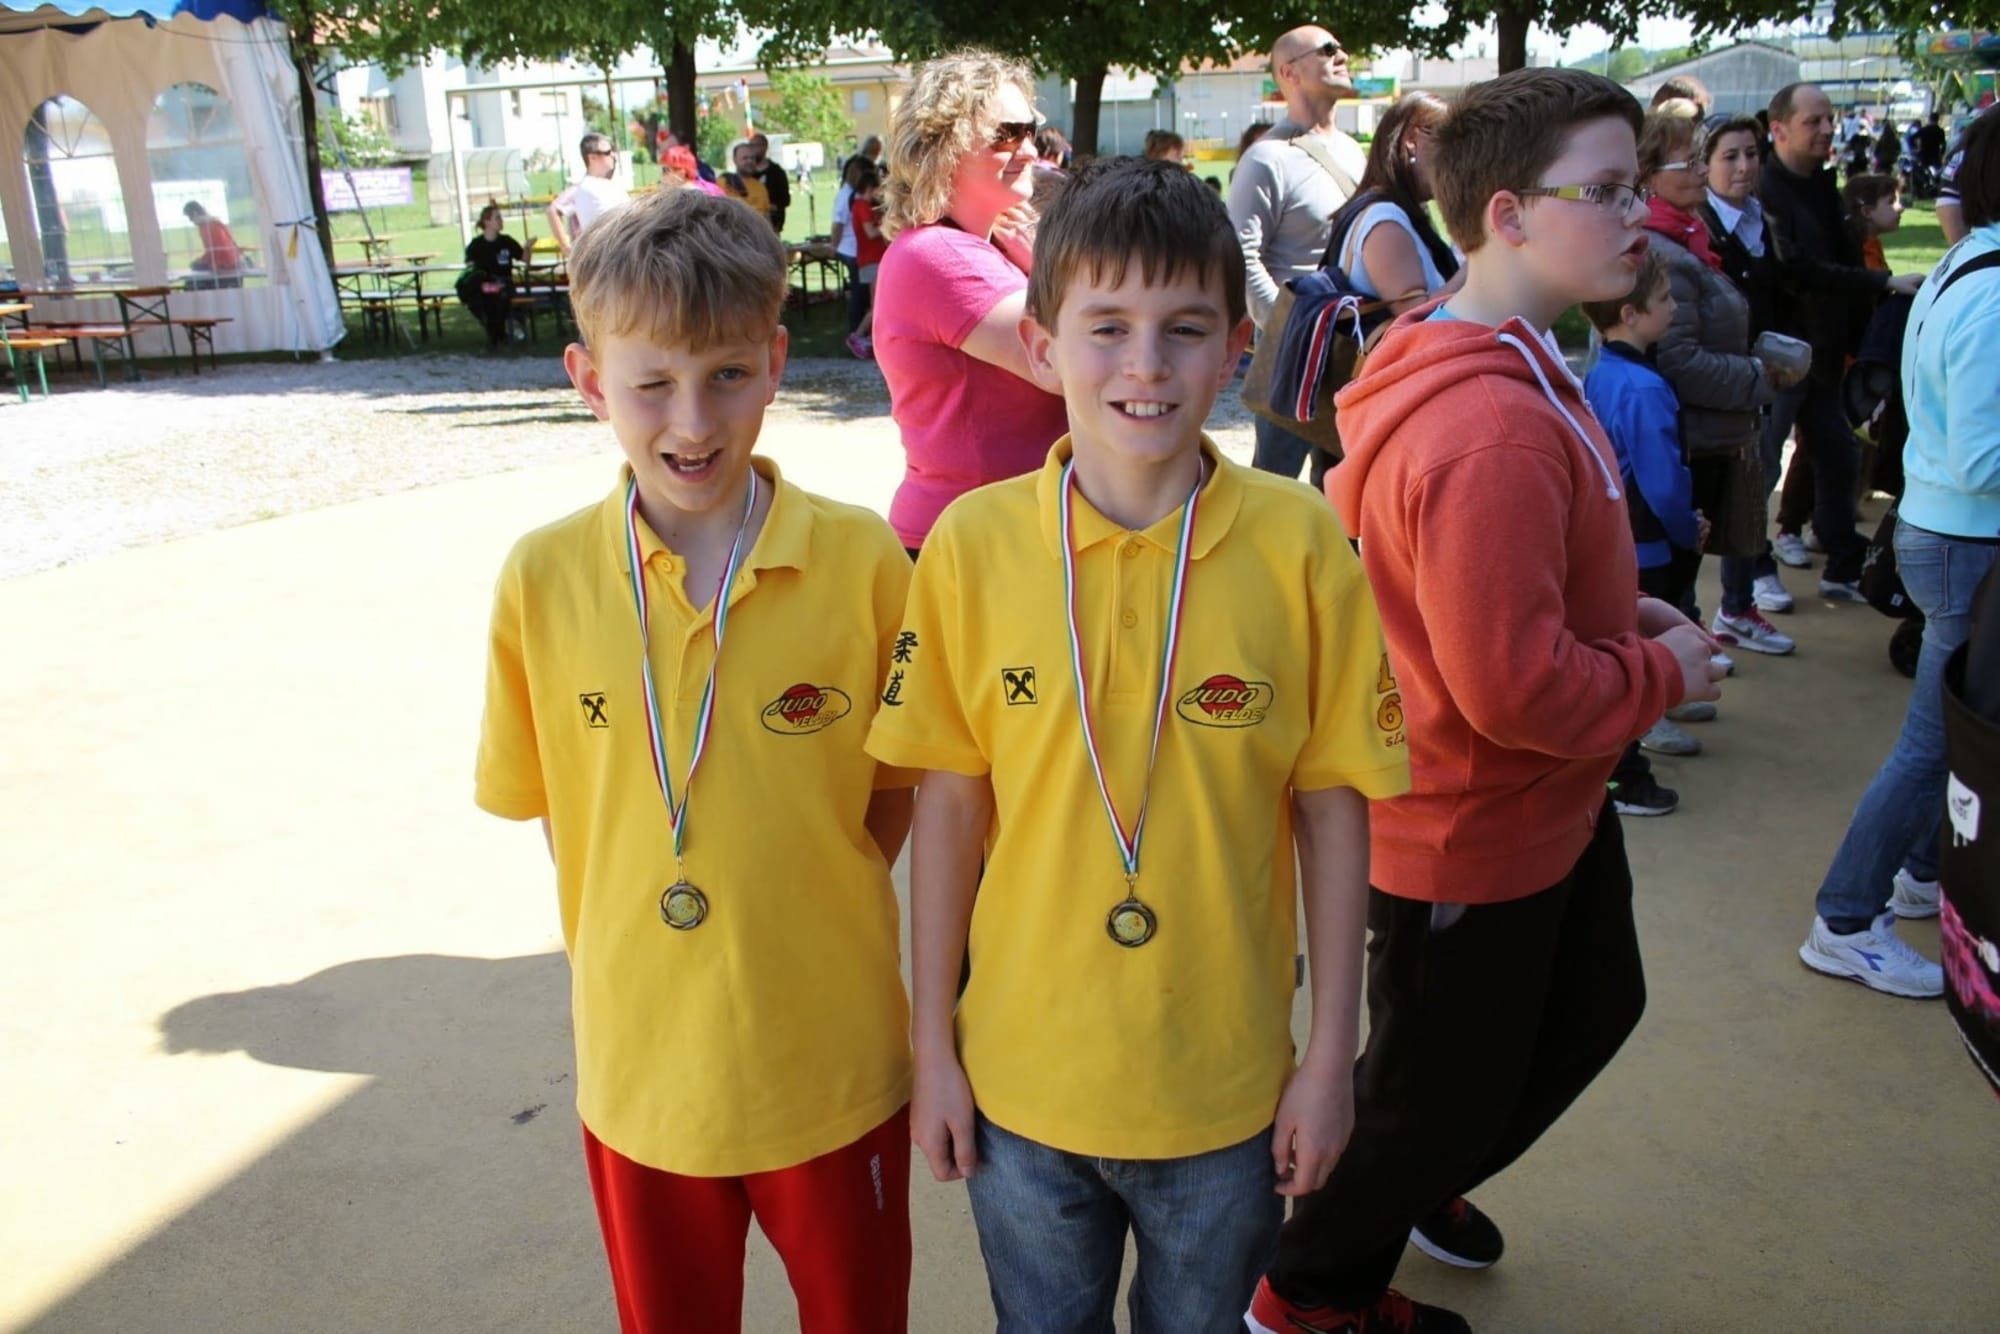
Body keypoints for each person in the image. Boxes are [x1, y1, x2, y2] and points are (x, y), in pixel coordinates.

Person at [869, 154, 1408, 1334]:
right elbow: (948, 806)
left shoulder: (1300, 544)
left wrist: (1329, 1057)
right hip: (1020, 1085)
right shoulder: (969, 546)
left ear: (1236, 347)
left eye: (1184, 329)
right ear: (1039, 346)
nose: (1145, 365)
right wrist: (932, 1048)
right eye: (1105, 327)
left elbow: (1332, 808)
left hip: (1223, 1092)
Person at [1251, 68, 1725, 1334]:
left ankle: (1401, 1179)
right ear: (1506, 215)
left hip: (1531, 804)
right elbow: (1512, 686)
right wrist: (1661, 673)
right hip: (1472, 819)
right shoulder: (1487, 426)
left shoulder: (1501, 349)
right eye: (1605, 189)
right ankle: (1307, 1292)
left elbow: (1502, 592)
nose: (1636, 213)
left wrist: (1623, 619)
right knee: (1430, 1091)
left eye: (1635, 184)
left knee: (1563, 1018)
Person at [473, 188, 917, 1331]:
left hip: (830, 1057)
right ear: (588, 380)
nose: (692, 419)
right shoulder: (543, 579)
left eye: (726, 374)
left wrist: (799, 894)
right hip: (642, 1068)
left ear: (774, 363)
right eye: (651, 383)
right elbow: (562, 813)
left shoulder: (863, 561)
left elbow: (891, 791)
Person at [1800, 106, 2000, 999]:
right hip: (1964, 540)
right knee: (1933, 744)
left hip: (1948, 531)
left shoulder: (1968, 263)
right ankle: (1845, 920)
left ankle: (1919, 873)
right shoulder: (1990, 285)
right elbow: (1983, 457)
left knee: (1955, 734)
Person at [873, 50, 1069, 554]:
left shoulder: (985, 248)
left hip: (998, 530)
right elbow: (1071, 363)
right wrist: (1047, 262)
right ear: (945, 145)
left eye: (1031, 131)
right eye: (1007, 134)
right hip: (969, 542)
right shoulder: (939, 254)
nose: (1029, 149)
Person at [1635, 111, 1796, 665]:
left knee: (1682, 567)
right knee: (1671, 565)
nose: (1703, 171)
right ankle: (1666, 673)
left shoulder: (1687, 237)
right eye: (1692, 161)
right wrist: (1759, 378)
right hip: (1689, 436)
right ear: (1650, 175)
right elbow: (1677, 360)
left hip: (1704, 433)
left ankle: (1685, 648)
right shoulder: (1663, 251)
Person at [1760, 83, 1921, 599]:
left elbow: (1839, 260)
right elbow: (1797, 268)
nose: (1828, 129)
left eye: (1829, 119)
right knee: (1764, 465)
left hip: (1825, 353)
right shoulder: (1768, 189)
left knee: (1839, 453)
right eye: (1814, 121)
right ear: (1779, 129)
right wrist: (1881, 282)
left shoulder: (1821, 184)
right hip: (1782, 354)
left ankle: (1840, 562)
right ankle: (1752, 575)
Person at [1582, 248, 1711, 789]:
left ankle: (1663, 698)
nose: (1675, 307)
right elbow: (1662, 481)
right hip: (1652, 539)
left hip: (1624, 533)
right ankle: (1645, 721)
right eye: (1664, 299)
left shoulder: (1604, 372)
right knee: (1647, 631)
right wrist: (1688, 529)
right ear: (1630, 315)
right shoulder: (1644, 388)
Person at [1228, 24, 1368, 480]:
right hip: (1293, 351)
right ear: (1288, 73)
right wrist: (1286, 327)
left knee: (1344, 490)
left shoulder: (1353, 151)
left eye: (1341, 46)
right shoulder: (1266, 158)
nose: (1341, 55)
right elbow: (1239, 253)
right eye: (1327, 50)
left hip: (1351, 345)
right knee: (1275, 486)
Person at [548, 133, 627, 258]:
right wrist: (567, 249)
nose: (613, 155)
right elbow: (552, 210)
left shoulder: (611, 185)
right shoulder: (582, 188)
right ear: (592, 158)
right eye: (607, 152)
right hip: (605, 258)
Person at [456, 202, 522, 350]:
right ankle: (498, 335)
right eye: (497, 218)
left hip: (504, 283)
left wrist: (528, 247)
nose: (501, 221)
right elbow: (471, 267)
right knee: (479, 298)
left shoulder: (506, 241)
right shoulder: (476, 245)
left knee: (498, 296)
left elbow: (524, 258)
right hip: (485, 284)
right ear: (487, 222)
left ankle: (495, 337)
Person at [846, 161, 888, 359]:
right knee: (877, 304)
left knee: (877, 302)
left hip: (874, 259)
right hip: (871, 260)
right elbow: (870, 232)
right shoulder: (862, 206)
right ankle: (857, 335)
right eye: (879, 189)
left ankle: (872, 340)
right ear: (870, 188)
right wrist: (888, 225)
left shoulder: (864, 206)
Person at [831, 154, 869, 335]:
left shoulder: (851, 194)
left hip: (854, 249)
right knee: (859, 294)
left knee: (860, 293)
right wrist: (834, 245)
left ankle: (858, 331)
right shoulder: (846, 195)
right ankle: (856, 332)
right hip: (851, 250)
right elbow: (837, 224)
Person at [1843, 171, 1903, 272]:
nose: (1901, 208)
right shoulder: (1859, 253)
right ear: (1867, 211)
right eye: (1891, 202)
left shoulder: (1873, 243)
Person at [182, 200, 243, 288]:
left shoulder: (212, 225)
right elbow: (211, 250)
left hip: (226, 263)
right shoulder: (206, 225)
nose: (190, 220)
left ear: (195, 213)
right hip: (223, 261)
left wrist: (205, 262)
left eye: (189, 216)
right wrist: (202, 260)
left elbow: (220, 250)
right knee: (195, 267)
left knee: (194, 276)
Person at [722, 141, 776, 226]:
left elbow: (766, 217)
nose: (750, 161)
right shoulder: (722, 183)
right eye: (745, 158)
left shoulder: (760, 187)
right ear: (734, 160)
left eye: (752, 158)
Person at [746, 133, 792, 231]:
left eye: (756, 145)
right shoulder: (746, 172)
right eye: (750, 145)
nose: (752, 149)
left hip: (772, 224)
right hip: (749, 223)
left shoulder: (777, 172)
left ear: (765, 147)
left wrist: (766, 207)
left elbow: (785, 200)